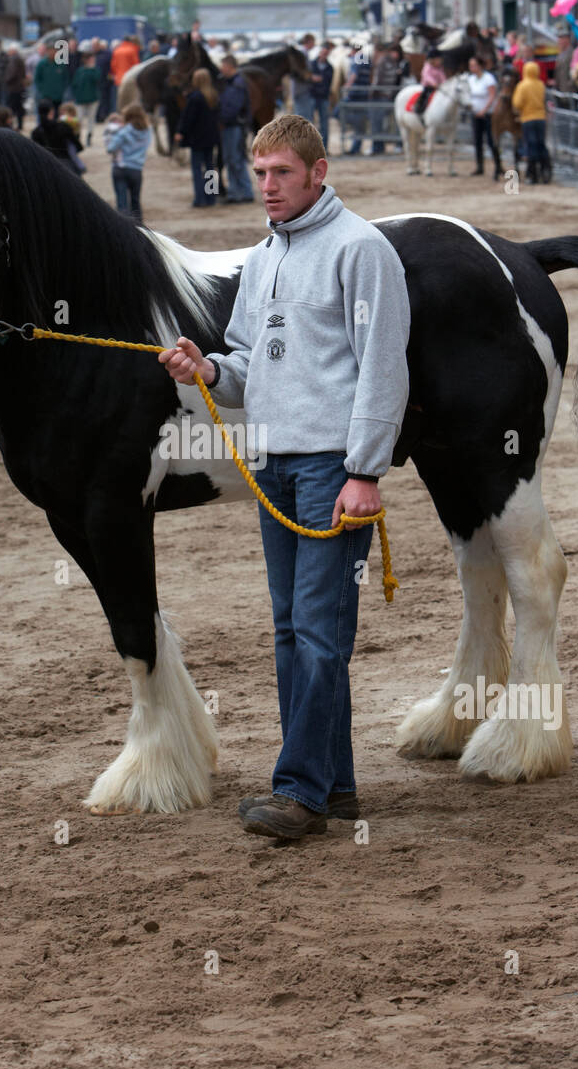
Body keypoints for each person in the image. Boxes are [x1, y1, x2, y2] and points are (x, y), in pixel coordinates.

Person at [157, 114, 410, 840]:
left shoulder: (362, 249)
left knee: (321, 632)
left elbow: (384, 370)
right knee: (294, 630)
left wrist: (365, 472)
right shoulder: (265, 256)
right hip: (272, 466)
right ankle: (334, 789)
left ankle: (298, 792)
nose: (266, 186)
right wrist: (204, 368)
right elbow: (241, 370)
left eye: (282, 174)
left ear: (318, 171)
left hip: (333, 467)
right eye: (259, 173)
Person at [174, 67, 220, 208]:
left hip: (197, 138)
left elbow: (188, 118)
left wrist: (180, 132)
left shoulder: (195, 98)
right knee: (210, 168)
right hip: (211, 137)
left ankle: (200, 199)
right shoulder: (213, 95)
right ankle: (211, 198)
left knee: (197, 168)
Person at [105, 101, 151, 221]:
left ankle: (123, 231)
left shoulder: (124, 131)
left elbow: (110, 148)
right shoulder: (147, 131)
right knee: (135, 201)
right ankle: (139, 228)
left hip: (121, 167)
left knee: (122, 203)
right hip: (136, 169)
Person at [217, 54, 253, 203]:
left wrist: (222, 120)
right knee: (233, 159)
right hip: (232, 126)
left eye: (223, 66)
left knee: (235, 159)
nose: (221, 69)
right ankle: (237, 192)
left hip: (233, 127)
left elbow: (233, 107)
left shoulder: (236, 84)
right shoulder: (233, 83)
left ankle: (242, 192)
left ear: (230, 66)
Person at [512, 61, 552, 185]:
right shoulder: (541, 85)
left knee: (531, 145)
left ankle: (533, 174)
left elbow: (517, 103)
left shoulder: (522, 85)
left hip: (528, 119)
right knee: (541, 144)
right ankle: (546, 170)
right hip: (541, 118)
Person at [467, 55, 502, 179]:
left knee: (491, 141)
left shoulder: (488, 78)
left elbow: (492, 95)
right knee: (477, 141)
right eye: (470, 65)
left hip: (488, 114)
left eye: (474, 65)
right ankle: (480, 166)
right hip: (475, 113)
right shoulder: (471, 79)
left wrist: (484, 110)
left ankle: (498, 166)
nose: (471, 68)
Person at [31, 99, 85, 177]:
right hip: (66, 166)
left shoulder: (35, 132)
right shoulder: (63, 127)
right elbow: (77, 145)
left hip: (45, 169)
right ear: (52, 112)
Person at [71, 52, 100, 146]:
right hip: (81, 99)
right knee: (79, 119)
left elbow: (97, 79)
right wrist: (75, 96)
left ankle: (89, 136)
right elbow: (75, 84)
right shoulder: (80, 71)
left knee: (91, 119)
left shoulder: (95, 70)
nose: (92, 61)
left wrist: (92, 69)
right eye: (91, 59)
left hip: (93, 99)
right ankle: (78, 137)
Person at [308, 42, 334, 147]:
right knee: (310, 123)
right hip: (313, 96)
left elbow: (328, 82)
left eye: (326, 53)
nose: (324, 55)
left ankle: (324, 147)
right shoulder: (311, 64)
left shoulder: (330, 67)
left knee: (324, 124)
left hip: (323, 97)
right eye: (323, 52)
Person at [34, 43, 72, 111]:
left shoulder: (61, 64)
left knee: (58, 115)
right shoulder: (42, 64)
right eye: (50, 51)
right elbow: (37, 79)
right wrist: (42, 90)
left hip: (58, 96)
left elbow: (66, 78)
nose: (52, 53)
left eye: (54, 51)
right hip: (46, 96)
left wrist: (62, 90)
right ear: (47, 52)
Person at [291, 34, 316, 121]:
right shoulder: (302, 54)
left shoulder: (303, 53)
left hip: (301, 90)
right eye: (313, 42)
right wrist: (312, 78)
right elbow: (300, 73)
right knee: (303, 118)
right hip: (301, 90)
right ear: (309, 42)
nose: (314, 44)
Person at [414, 48, 445, 116]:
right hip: (428, 86)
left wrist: (444, 83)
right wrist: (434, 83)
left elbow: (442, 76)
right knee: (425, 95)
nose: (440, 61)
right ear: (433, 59)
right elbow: (426, 76)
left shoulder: (440, 67)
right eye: (438, 59)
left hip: (438, 87)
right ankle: (420, 108)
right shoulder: (427, 66)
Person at [3, 49, 27, 130]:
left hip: (13, 88)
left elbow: (12, 73)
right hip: (19, 87)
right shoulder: (20, 59)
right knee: (19, 108)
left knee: (11, 108)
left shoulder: (13, 60)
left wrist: (6, 80)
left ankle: (10, 126)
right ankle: (20, 125)